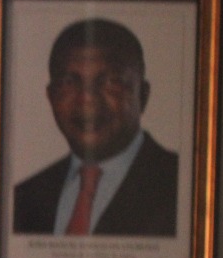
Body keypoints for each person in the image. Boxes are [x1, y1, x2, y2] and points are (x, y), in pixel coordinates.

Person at [12, 19, 180, 237]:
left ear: (142, 95)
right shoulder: (25, 198)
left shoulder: (180, 186)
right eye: (69, 82)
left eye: (111, 82)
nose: (87, 99)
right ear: (51, 96)